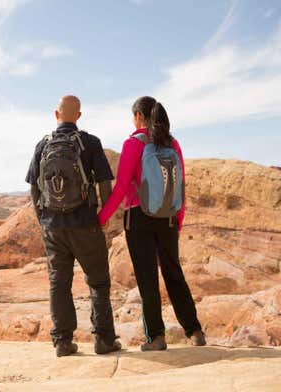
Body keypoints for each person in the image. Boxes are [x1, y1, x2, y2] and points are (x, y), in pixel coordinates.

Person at [98, 96, 206, 351]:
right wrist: (177, 220)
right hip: (167, 218)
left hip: (139, 218)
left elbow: (123, 186)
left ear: (138, 117)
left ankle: (156, 337)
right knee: (173, 273)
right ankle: (195, 331)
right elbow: (180, 185)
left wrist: (102, 218)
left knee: (147, 278)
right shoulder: (173, 143)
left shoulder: (133, 144)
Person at [26, 95, 121, 357]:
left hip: (53, 226)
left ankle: (62, 342)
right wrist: (102, 217)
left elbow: (34, 188)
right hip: (85, 223)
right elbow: (104, 183)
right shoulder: (89, 142)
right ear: (78, 115)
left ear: (56, 115)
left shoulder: (42, 145)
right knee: (98, 282)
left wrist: (43, 220)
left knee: (59, 283)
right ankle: (104, 339)